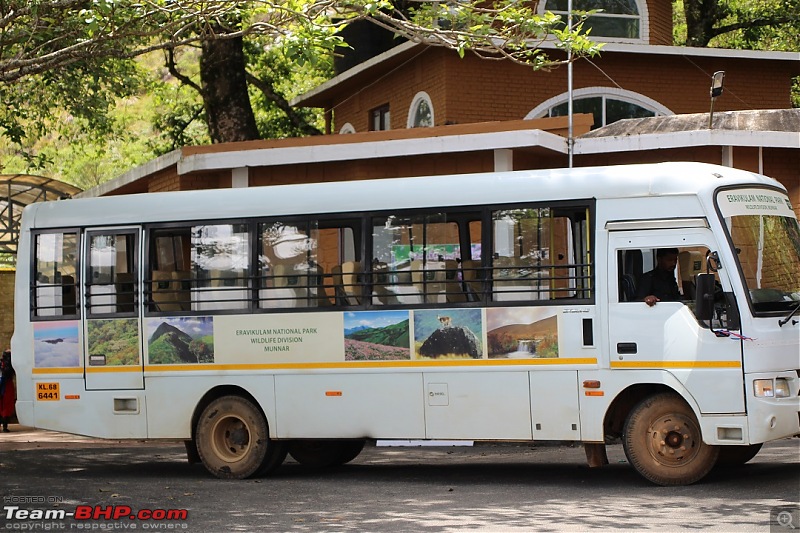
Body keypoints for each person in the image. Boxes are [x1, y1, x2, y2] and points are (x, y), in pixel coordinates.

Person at [0, 349, 15, 432]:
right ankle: (5, 426)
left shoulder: (1, 363)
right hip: (7, 386)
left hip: (3, 384)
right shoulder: (11, 365)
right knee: (7, 405)